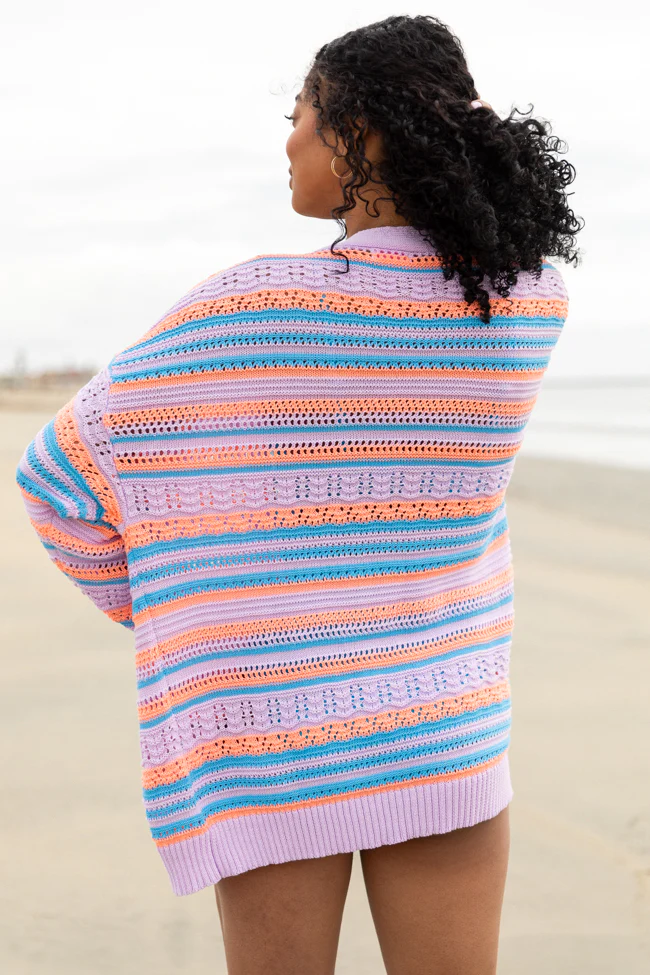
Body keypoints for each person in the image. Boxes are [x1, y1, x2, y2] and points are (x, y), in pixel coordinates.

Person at [16, 13, 582, 975]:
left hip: (267, 730)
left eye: (300, 116)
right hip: (442, 720)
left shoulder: (248, 306)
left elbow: (55, 479)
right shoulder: (530, 300)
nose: (287, 141)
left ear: (363, 133)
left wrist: (187, 610)